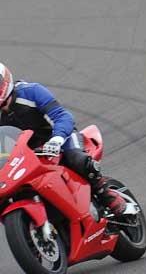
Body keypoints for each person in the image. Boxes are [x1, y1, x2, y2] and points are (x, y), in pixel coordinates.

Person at [0, 62, 126, 215]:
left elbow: (62, 116)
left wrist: (57, 139)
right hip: (29, 156)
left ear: (5, 79)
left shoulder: (31, 91)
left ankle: (105, 194)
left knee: (76, 159)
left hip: (60, 139)